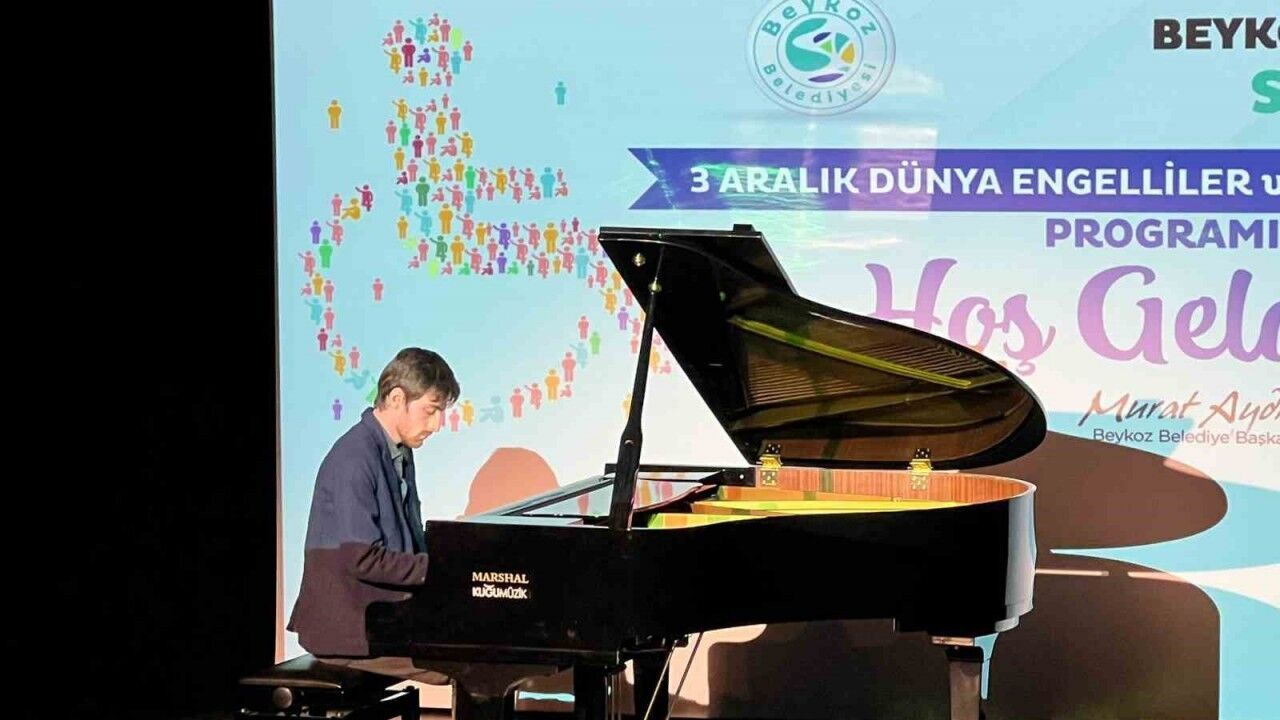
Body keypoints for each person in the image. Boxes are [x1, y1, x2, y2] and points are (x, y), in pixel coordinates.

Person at [287, 347, 460, 684]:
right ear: (396, 399)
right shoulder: (354, 457)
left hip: (382, 615)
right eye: (431, 410)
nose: (437, 424)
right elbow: (363, 559)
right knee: (468, 664)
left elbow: (406, 542)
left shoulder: (397, 451)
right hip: (352, 628)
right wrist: (443, 569)